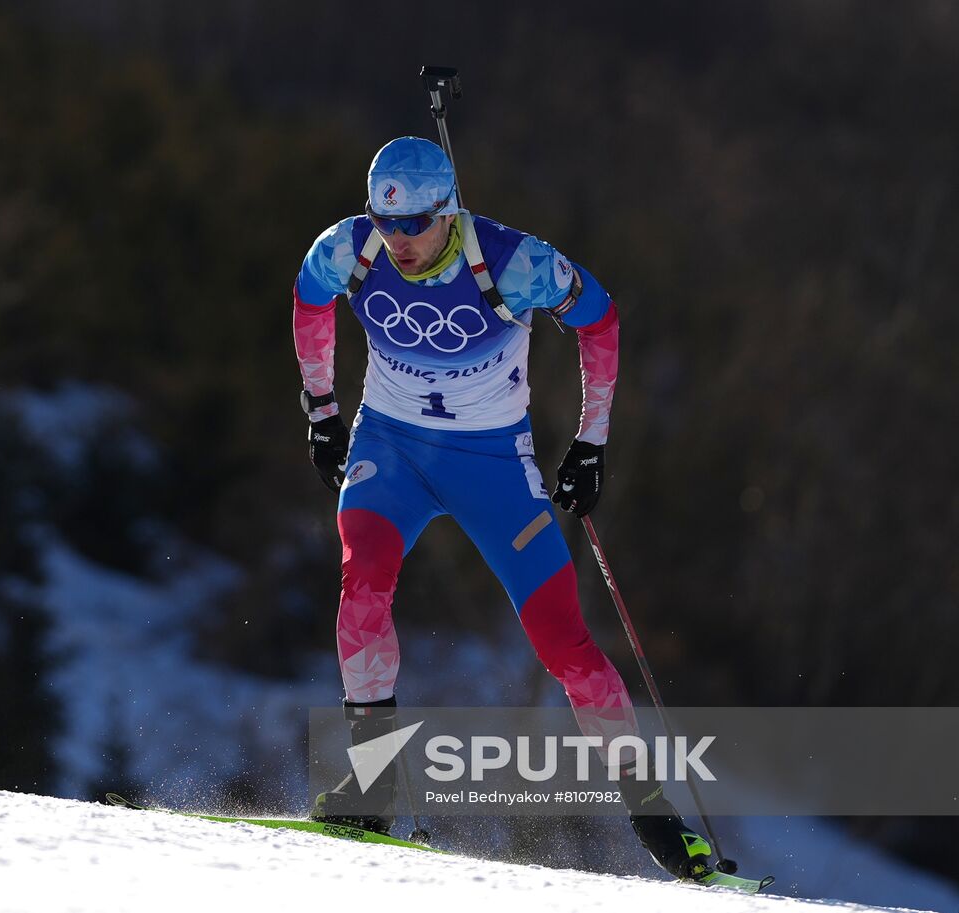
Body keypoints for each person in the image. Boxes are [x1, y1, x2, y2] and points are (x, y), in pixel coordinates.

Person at [292, 136, 710, 880]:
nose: (400, 242)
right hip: (390, 451)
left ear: (448, 212)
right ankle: (372, 784)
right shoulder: (349, 249)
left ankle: (658, 818)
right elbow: (309, 296)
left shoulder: (514, 263)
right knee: (363, 587)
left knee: (563, 641)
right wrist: (322, 410)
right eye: (386, 225)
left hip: (491, 466)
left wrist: (592, 441)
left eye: (416, 224)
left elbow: (600, 318)